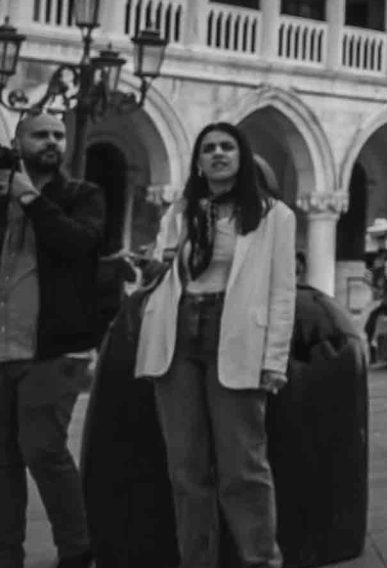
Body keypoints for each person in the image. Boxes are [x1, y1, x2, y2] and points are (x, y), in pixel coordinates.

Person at [135, 122, 298, 568]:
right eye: (209, 148)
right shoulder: (182, 211)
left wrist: (274, 361)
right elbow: (161, 272)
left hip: (237, 338)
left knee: (243, 468)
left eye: (227, 147)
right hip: (178, 336)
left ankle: (261, 559)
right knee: (186, 471)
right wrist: (152, 265)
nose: (218, 154)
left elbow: (282, 292)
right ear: (199, 160)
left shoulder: (273, 216)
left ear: (242, 156)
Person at [0, 112, 104, 568]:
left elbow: (78, 245)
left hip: (55, 351)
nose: (52, 142)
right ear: (19, 142)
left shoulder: (84, 196)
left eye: (59, 135)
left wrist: (31, 200)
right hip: (3, 348)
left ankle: (77, 550)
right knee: (3, 462)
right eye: (40, 134)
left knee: (42, 449)